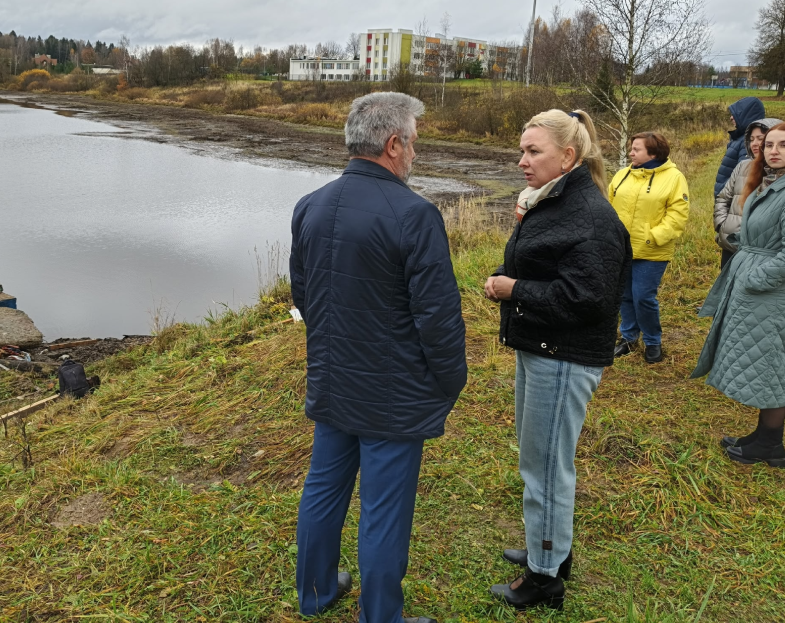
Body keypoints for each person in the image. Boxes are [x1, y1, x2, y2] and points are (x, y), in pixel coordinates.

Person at [290, 92, 466, 623]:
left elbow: (304, 295)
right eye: (413, 142)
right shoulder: (414, 215)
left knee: (324, 488)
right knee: (384, 512)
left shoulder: (310, 205)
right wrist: (450, 382)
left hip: (333, 377)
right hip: (393, 393)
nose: (416, 152)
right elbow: (438, 318)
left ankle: (317, 593)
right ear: (393, 145)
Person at [483, 110, 630, 611]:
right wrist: (509, 281)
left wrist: (513, 289)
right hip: (541, 347)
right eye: (522, 150)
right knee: (538, 461)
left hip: (563, 356)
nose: (522, 161)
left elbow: (587, 296)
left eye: (533, 151)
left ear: (567, 156)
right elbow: (547, 262)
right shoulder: (553, 201)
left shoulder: (589, 216)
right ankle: (550, 549)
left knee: (545, 468)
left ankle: (544, 578)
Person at [693, 122, 785, 468]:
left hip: (773, 291)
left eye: (784, 145)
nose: (773, 150)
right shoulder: (775, 183)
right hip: (758, 286)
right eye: (769, 144)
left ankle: (771, 445)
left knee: (773, 363)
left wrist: (753, 279)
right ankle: (762, 436)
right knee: (765, 360)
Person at [608, 132, 689, 363]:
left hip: (652, 251)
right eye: (631, 148)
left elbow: (677, 215)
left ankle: (653, 341)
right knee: (625, 295)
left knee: (643, 297)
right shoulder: (623, 175)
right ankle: (628, 338)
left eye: (636, 149)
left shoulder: (674, 178)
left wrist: (653, 237)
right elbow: (609, 207)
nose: (630, 153)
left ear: (653, 152)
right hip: (622, 249)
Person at [714, 118, 782, 268]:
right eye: (751, 139)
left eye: (760, 138)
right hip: (731, 244)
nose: (755, 143)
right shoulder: (742, 166)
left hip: (759, 252)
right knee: (726, 289)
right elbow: (723, 198)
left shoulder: (783, 174)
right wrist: (722, 225)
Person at [713, 97, 765, 197]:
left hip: (732, 202)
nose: (731, 118)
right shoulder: (740, 138)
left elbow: (743, 178)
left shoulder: (747, 142)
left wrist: (726, 201)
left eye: (736, 114)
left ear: (747, 115)